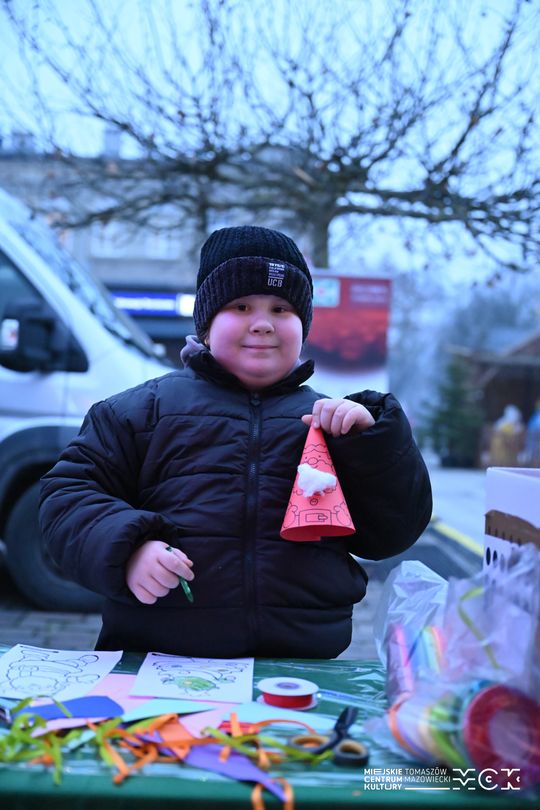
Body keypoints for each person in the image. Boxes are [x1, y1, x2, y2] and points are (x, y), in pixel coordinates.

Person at [39, 226, 432, 659]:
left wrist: (372, 445)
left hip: (302, 664)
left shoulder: (336, 424)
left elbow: (391, 534)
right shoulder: (137, 412)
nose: (262, 324)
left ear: (303, 327)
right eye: (241, 305)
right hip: (159, 660)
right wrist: (127, 549)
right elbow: (66, 499)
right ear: (206, 325)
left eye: (282, 309)